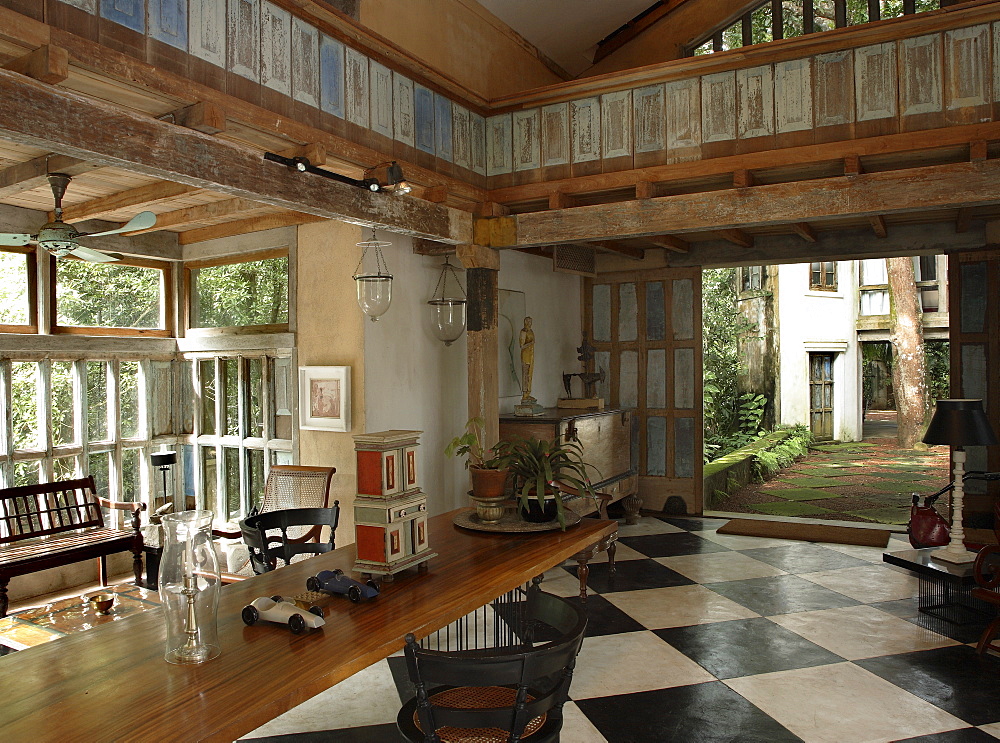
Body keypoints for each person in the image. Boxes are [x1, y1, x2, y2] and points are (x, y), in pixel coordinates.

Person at [519, 316, 535, 402]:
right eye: (528, 322)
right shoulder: (523, 332)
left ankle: (528, 393)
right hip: (525, 356)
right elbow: (521, 346)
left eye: (531, 322)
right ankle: (525, 394)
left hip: (531, 355)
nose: (530, 324)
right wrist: (530, 343)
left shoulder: (531, 331)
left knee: (530, 374)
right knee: (525, 374)